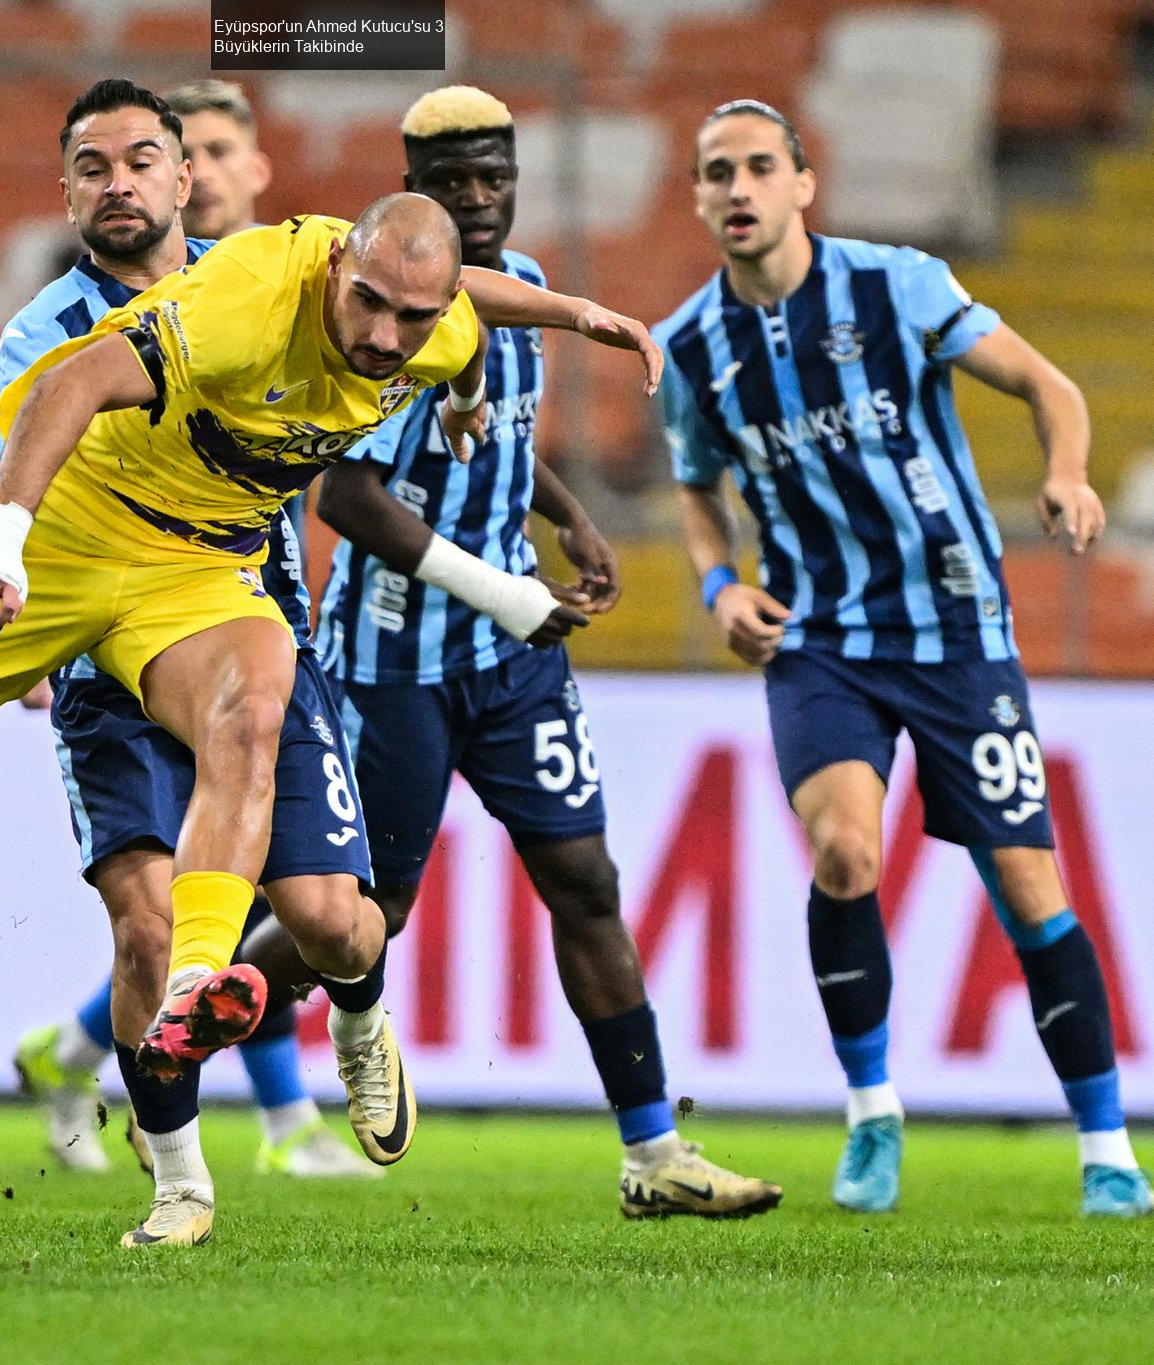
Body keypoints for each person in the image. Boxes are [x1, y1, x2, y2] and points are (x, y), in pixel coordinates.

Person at [0, 140, 661, 1231]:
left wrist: (565, 325)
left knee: (253, 710)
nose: (381, 337)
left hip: (195, 574)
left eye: (408, 320)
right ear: (334, 273)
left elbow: (466, 306)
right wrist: (0, 538)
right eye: (365, 304)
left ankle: (196, 994)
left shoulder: (428, 323)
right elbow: (75, 379)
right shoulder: (243, 298)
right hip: (63, 553)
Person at [657, 100, 1154, 1218]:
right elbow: (694, 485)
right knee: (843, 854)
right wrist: (717, 582)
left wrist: (1067, 473)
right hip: (818, 639)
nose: (736, 189)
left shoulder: (897, 287)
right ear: (694, 198)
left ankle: (1106, 1145)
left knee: (1027, 892)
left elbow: (1046, 385)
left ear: (800, 184)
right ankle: (871, 1114)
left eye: (755, 169)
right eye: (713, 173)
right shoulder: (689, 345)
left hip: (956, 631)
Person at [304, 85, 782, 1220]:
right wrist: (499, 586)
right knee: (363, 918)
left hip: (512, 662)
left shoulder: (512, 293)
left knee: (585, 880)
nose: (474, 199)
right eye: (451, 180)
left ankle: (655, 1152)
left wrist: (557, 513)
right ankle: (162, 1036)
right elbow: (349, 494)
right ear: (411, 182)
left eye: (491, 177)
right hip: (392, 663)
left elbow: (492, 446)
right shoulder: (382, 307)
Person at [3, 81, 377, 1199]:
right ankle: (199, 1164)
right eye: (94, 166)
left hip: (254, 642)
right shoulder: (45, 330)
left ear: (201, 176)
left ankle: (78, 1054)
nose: (125, 184)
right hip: (106, 657)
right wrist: (7, 601)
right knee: (159, 927)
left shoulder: (262, 290)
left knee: (302, 915)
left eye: (159, 159)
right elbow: (3, 475)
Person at [168, 78, 273, 241]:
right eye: (181, 156)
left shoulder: (301, 262)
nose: (199, 174)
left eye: (219, 152)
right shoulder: (122, 264)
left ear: (259, 172)